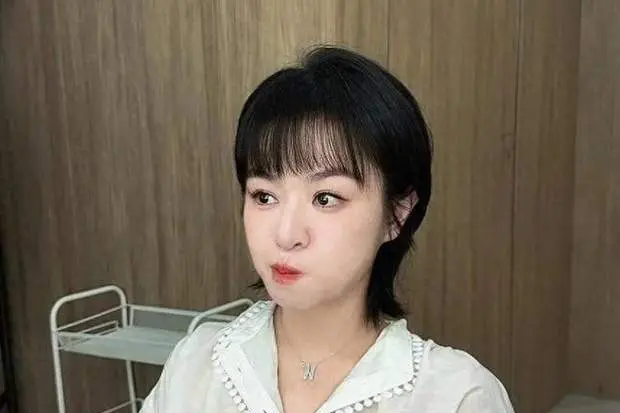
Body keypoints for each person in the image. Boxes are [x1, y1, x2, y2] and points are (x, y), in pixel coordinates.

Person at [139, 45, 515, 413]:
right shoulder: (195, 364)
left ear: (396, 215)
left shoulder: (457, 397)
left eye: (325, 198)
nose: (286, 235)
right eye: (264, 196)